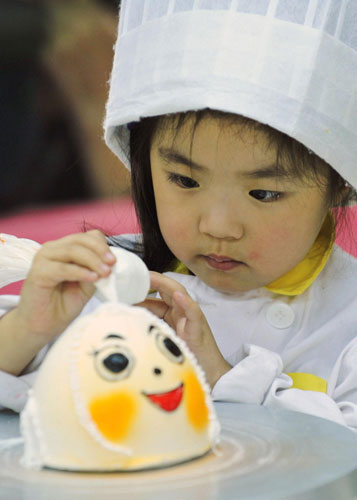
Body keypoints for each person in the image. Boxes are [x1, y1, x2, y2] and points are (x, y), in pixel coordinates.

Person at [0, 1, 356, 430]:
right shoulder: (108, 283)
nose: (217, 226)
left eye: (263, 192)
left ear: (341, 182)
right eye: (185, 181)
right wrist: (28, 329)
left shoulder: (347, 319)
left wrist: (227, 380)